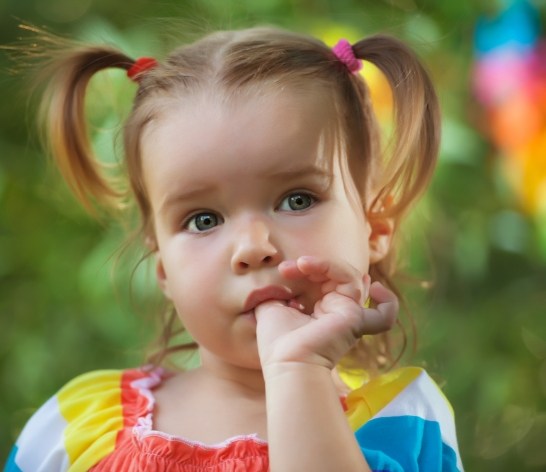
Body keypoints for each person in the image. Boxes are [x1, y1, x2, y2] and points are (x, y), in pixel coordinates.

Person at [4, 25, 463, 471]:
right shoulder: (74, 426)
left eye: (297, 200)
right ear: (164, 267)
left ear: (375, 228)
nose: (252, 247)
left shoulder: (404, 420)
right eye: (203, 220)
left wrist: (298, 371)